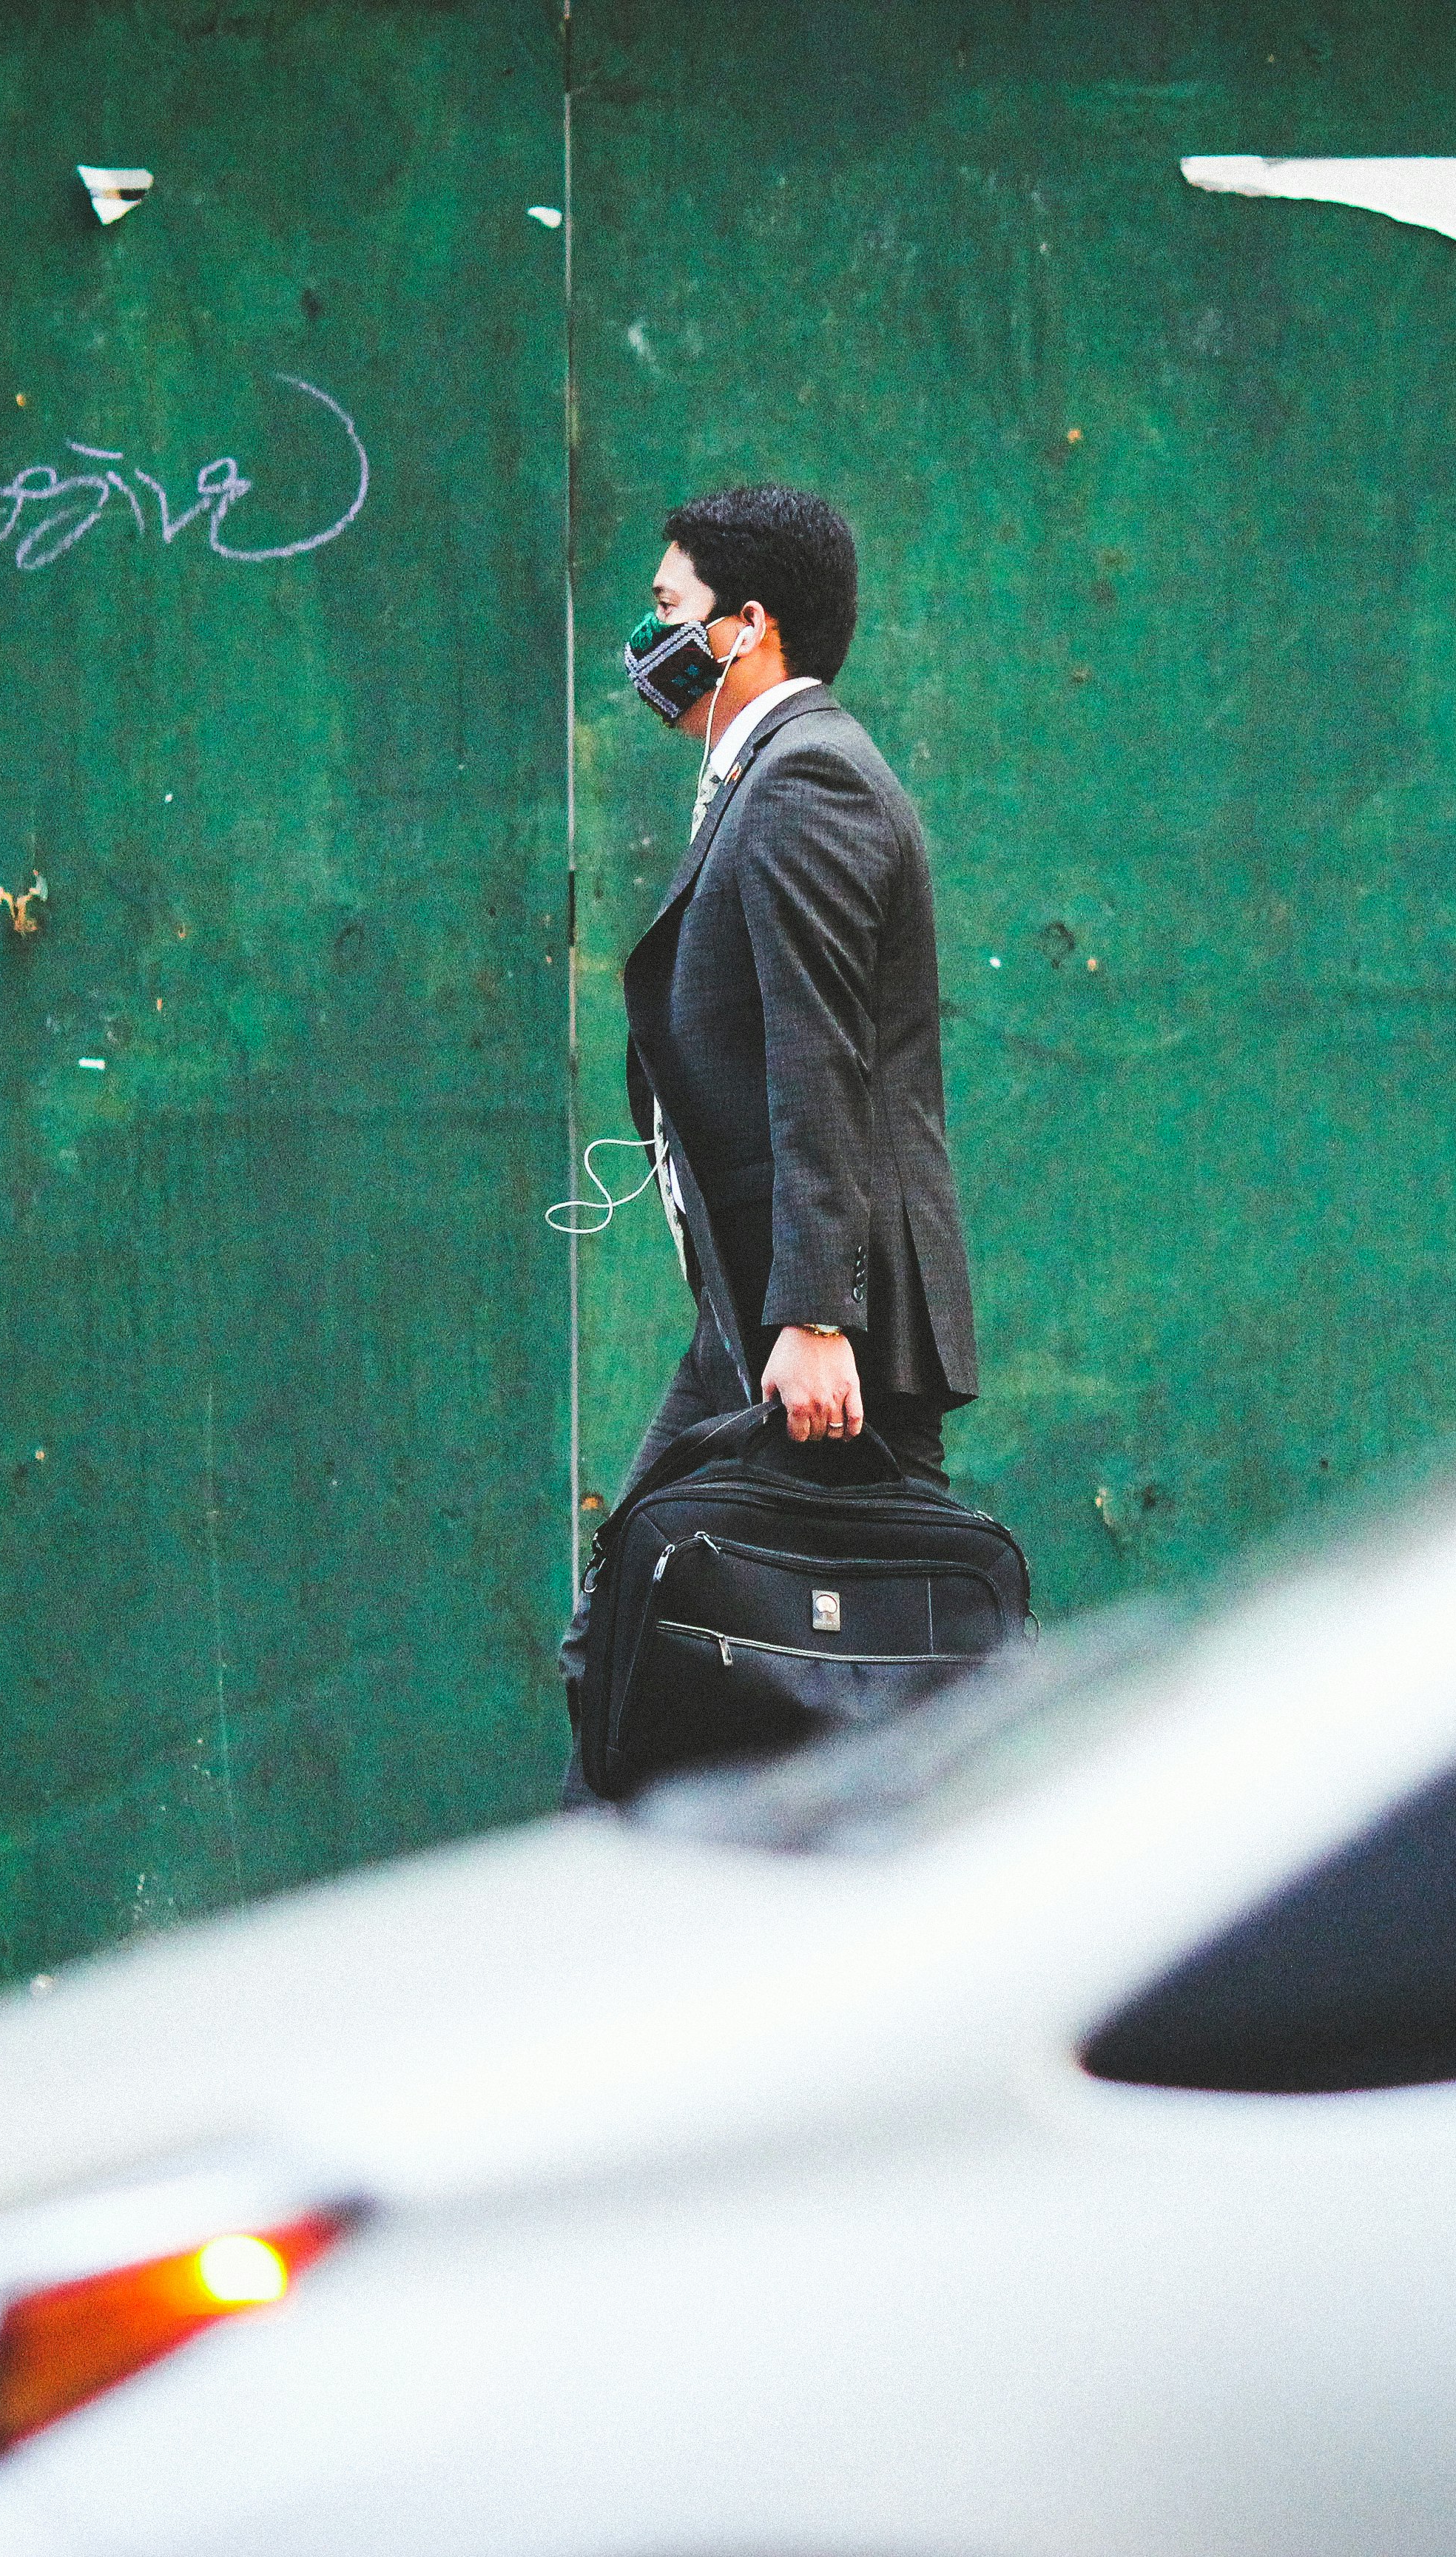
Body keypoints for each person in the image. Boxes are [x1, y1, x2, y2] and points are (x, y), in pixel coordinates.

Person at [563, 485, 979, 1734]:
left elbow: (823, 1059)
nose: (649, 639)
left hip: (822, 1327)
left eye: (667, 607)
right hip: (761, 1318)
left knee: (862, 1664)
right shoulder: (764, 775)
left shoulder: (808, 782)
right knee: (659, 1630)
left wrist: (812, 1315)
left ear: (748, 625)